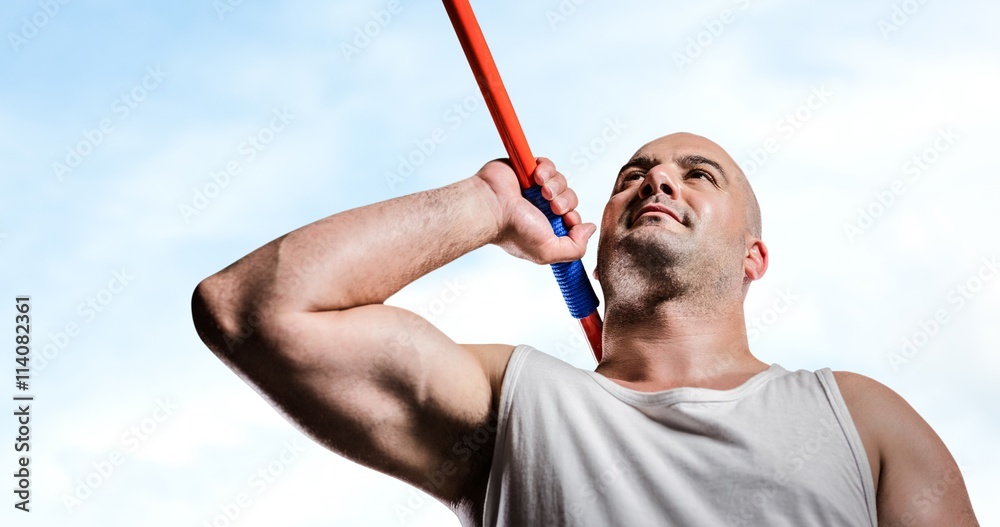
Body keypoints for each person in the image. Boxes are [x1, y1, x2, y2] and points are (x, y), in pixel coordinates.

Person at [191, 132, 980, 526]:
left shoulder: (862, 418)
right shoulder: (511, 405)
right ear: (596, 244)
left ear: (754, 255)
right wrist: (486, 207)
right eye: (631, 176)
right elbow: (252, 308)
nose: (657, 179)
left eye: (697, 174)